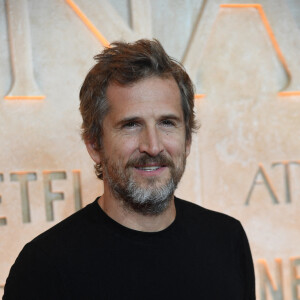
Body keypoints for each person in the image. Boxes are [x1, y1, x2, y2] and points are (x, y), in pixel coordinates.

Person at [4, 39, 255, 299]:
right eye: (131, 125)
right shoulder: (42, 268)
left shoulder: (227, 240)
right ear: (94, 145)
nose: (153, 146)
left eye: (167, 123)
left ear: (187, 140)